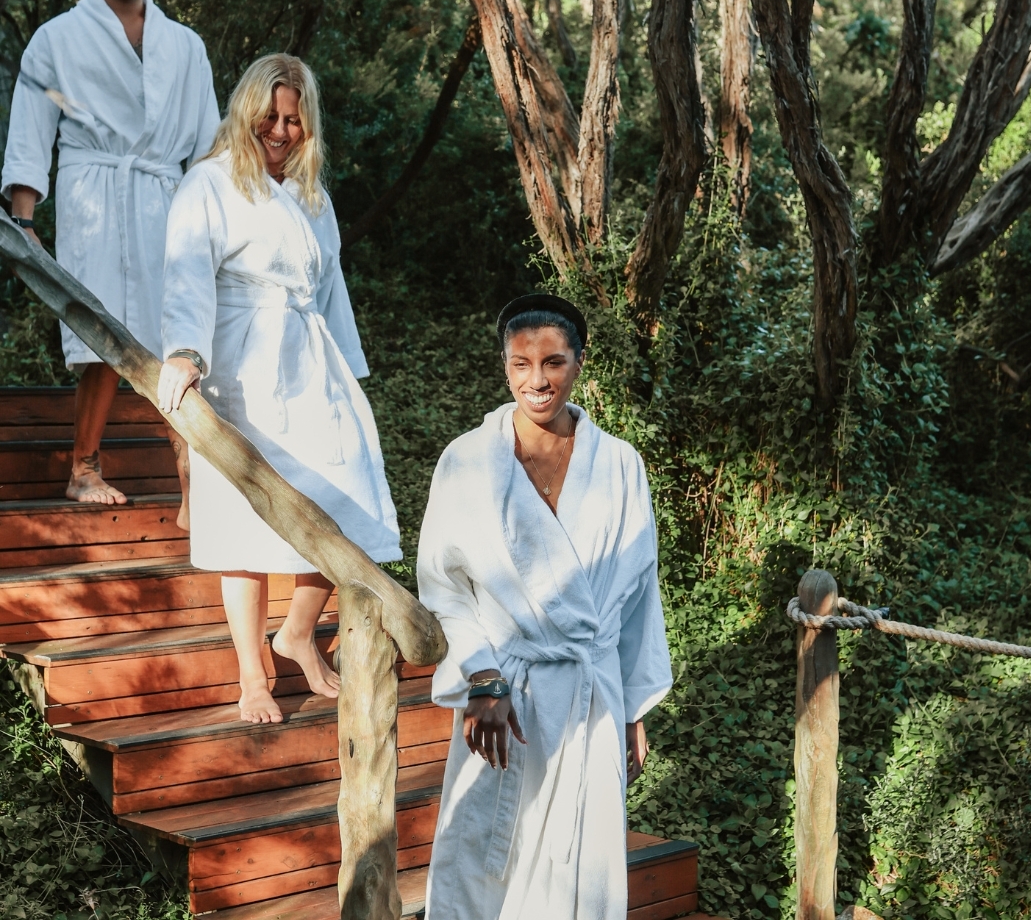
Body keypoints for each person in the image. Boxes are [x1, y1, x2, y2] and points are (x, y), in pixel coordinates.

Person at [156, 53, 401, 724]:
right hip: (237, 362)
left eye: (293, 119)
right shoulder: (207, 183)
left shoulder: (311, 196)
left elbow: (331, 292)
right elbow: (186, 274)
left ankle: (296, 632)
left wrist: (347, 373)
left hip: (309, 362)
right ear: (246, 113)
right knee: (243, 518)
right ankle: (250, 676)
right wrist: (184, 354)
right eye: (269, 116)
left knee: (340, 499)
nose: (281, 130)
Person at [417, 294, 673, 920]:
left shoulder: (618, 465)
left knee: (583, 865)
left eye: (553, 363)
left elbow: (641, 593)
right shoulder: (468, 461)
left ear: (579, 364)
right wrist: (483, 678)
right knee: (483, 849)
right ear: (504, 365)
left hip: (593, 690)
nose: (537, 381)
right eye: (520, 364)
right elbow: (444, 587)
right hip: (506, 688)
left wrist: (634, 706)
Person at [1, 0, 219, 518]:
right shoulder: (57, 39)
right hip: (91, 192)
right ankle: (83, 466)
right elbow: (30, 129)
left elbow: (207, 142)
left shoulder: (185, 44)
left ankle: (190, 474)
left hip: (163, 198)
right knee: (98, 332)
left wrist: (213, 216)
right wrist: (23, 222)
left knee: (176, 332)